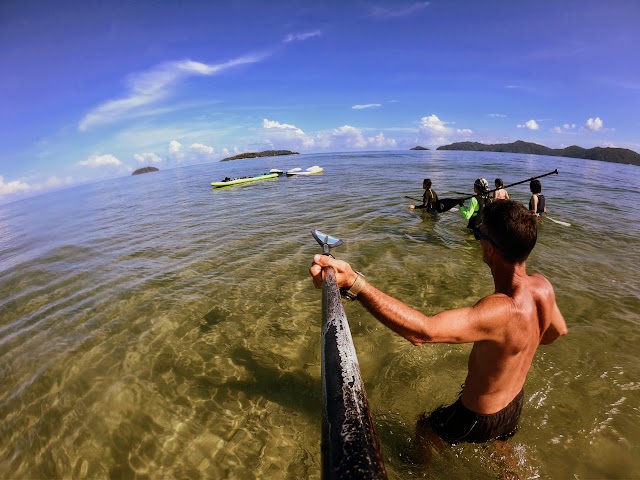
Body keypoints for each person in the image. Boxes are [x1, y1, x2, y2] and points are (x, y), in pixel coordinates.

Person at [309, 200, 567, 449]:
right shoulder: (542, 287)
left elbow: (423, 332)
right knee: (499, 443)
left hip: (477, 418)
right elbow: (556, 332)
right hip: (513, 405)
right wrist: (518, 345)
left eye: (479, 234)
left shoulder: (500, 311)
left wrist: (355, 283)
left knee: (426, 429)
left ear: (490, 249)